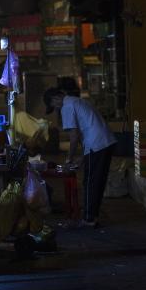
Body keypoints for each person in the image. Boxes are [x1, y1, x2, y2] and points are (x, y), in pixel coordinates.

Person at [44, 84, 117, 228]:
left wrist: (68, 160)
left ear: (55, 98)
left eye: (54, 105)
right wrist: (83, 157)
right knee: (97, 181)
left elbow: (74, 136)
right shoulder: (75, 101)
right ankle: (92, 215)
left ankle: (88, 219)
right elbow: (88, 127)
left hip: (97, 144)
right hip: (105, 142)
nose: (56, 109)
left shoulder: (67, 106)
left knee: (90, 182)